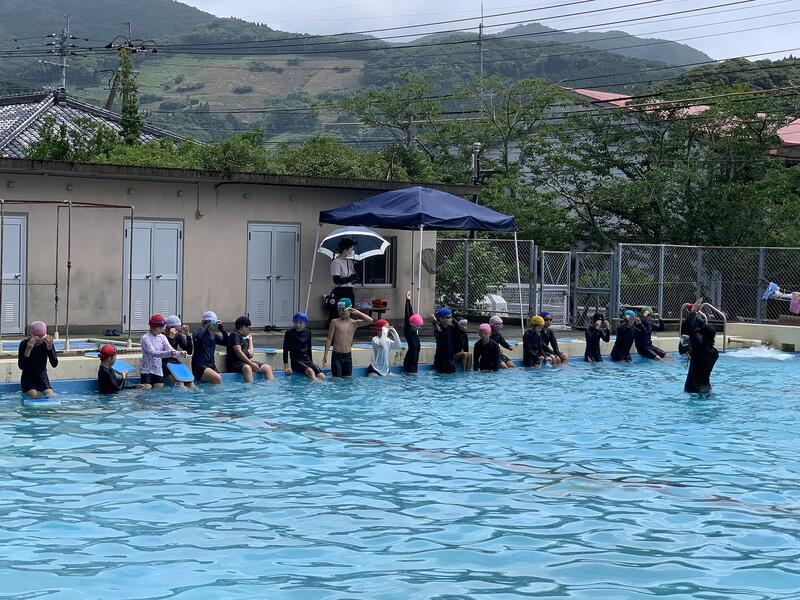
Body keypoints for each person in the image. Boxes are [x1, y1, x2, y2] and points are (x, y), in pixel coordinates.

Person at [323, 298, 373, 377]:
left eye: (343, 310)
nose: (340, 312)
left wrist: (359, 313)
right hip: (337, 356)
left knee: (348, 380)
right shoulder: (334, 322)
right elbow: (329, 339)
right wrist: (325, 355)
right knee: (336, 379)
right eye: (339, 310)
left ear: (350, 310)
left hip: (348, 356)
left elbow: (370, 320)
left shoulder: (354, 323)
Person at [140, 314, 186, 390]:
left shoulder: (162, 337)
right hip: (146, 370)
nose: (162, 329)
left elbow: (170, 349)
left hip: (158, 370)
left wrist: (180, 353)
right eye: (160, 327)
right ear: (153, 327)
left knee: (159, 390)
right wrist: (169, 354)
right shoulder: (145, 338)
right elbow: (154, 353)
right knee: (147, 388)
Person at [683, 303, 719, 394]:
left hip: (693, 388)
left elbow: (690, 328)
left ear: (702, 336)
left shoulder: (699, 348)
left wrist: (693, 311)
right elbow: (705, 330)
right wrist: (696, 314)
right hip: (706, 388)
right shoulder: (715, 353)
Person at [227, 316, 274, 383]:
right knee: (247, 368)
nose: (249, 331)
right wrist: (251, 364)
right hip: (235, 364)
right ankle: (250, 387)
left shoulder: (243, 338)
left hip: (246, 363)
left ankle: (270, 386)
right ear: (243, 327)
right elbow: (238, 351)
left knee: (267, 367)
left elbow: (251, 354)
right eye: (249, 328)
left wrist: (250, 340)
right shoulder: (234, 335)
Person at [18, 320, 57, 399]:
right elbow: (21, 366)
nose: (40, 341)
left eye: (42, 338)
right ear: (32, 335)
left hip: (42, 379)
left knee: (51, 396)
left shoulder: (47, 343)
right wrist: (28, 349)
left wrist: (49, 349)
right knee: (34, 396)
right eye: (37, 339)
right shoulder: (24, 344)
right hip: (28, 379)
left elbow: (54, 364)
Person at [283, 312, 325, 380]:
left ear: (305, 324)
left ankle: (318, 385)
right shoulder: (289, 333)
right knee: (310, 372)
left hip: (306, 360)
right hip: (296, 361)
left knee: (321, 375)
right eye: (295, 322)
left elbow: (309, 348)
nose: (298, 325)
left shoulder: (308, 332)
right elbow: (285, 350)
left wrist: (311, 362)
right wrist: (286, 366)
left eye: (300, 323)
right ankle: (314, 384)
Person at [192, 310, 228, 384]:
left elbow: (227, 343)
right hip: (199, 366)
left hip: (211, 365)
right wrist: (207, 324)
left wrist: (222, 329)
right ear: (203, 322)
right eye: (207, 322)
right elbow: (199, 336)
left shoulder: (213, 335)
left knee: (219, 382)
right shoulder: (196, 332)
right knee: (217, 378)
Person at [328, 238, 358, 324]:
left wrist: (357, 272)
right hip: (340, 292)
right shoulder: (336, 262)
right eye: (351, 248)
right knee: (338, 314)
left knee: (349, 314)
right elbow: (337, 280)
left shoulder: (350, 262)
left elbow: (353, 280)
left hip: (349, 291)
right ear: (345, 250)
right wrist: (350, 278)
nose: (353, 251)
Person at [164, 315, 194, 387]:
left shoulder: (178, 335)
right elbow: (164, 352)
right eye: (177, 328)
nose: (178, 330)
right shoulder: (162, 336)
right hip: (164, 363)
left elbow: (189, 351)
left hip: (175, 363)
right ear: (171, 327)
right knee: (180, 384)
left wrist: (188, 335)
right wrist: (170, 338)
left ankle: (197, 394)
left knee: (190, 383)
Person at [431, 306, 458, 374]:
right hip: (441, 362)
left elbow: (461, 329)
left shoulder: (451, 328)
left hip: (450, 361)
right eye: (448, 317)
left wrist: (453, 320)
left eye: (451, 317)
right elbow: (436, 326)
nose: (450, 319)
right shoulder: (439, 330)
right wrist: (435, 320)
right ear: (441, 319)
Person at [403, 291, 423, 374]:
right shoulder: (408, 330)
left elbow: (411, 314)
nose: (420, 327)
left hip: (414, 364)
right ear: (413, 325)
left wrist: (409, 300)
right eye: (418, 325)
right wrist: (407, 300)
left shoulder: (414, 333)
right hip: (409, 364)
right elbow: (407, 314)